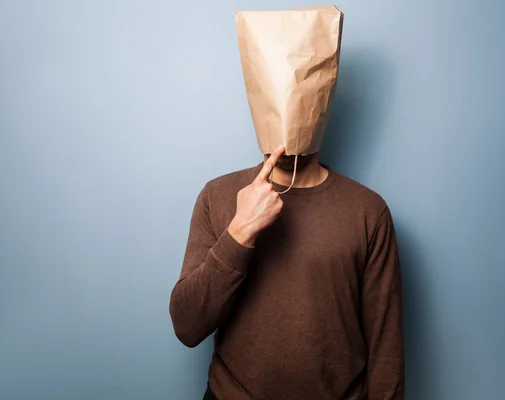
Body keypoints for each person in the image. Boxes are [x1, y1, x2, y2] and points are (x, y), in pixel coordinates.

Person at [169, 145, 404, 399]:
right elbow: (187, 326)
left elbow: (385, 346)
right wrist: (240, 231)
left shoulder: (368, 210)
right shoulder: (217, 195)